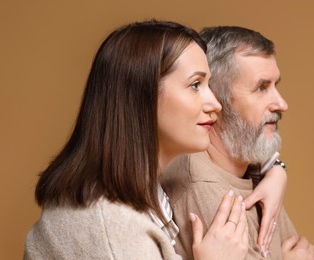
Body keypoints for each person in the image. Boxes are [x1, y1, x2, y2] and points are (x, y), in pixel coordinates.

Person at [23, 20, 250, 260]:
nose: (215, 104)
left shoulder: (145, 191)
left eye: (208, 84)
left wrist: (276, 170)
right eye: (195, 85)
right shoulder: (117, 232)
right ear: (143, 96)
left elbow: (252, 146)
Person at [161, 26, 314, 259]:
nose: (281, 104)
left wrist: (277, 170)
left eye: (276, 85)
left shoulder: (252, 169)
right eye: (261, 88)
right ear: (216, 100)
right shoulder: (204, 188)